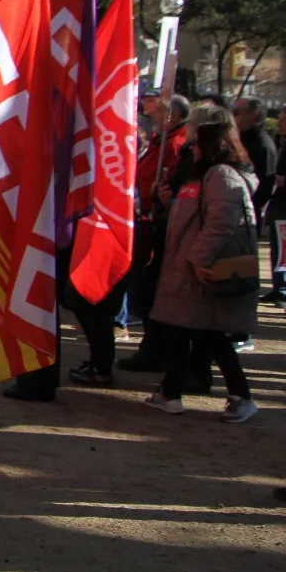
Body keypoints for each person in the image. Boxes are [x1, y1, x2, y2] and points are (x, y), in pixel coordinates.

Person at [144, 118, 261, 422]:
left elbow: (223, 223)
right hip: (187, 271)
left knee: (209, 336)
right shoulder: (205, 174)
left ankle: (241, 397)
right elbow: (195, 218)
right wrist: (168, 202)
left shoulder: (221, 175)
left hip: (201, 271)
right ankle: (170, 394)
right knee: (184, 332)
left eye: (196, 142)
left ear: (212, 145)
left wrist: (198, 260)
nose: (190, 146)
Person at [121, 93, 193, 372]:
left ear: (171, 115)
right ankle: (152, 347)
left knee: (153, 289)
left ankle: (156, 350)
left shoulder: (175, 144)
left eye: (157, 109)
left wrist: (155, 196)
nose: (149, 112)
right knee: (146, 289)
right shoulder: (162, 141)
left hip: (160, 222)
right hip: (149, 217)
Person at [262, 103, 286, 308]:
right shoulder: (285, 143)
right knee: (278, 249)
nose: (279, 124)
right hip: (279, 205)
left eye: (283, 120)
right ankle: (278, 288)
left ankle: (284, 290)